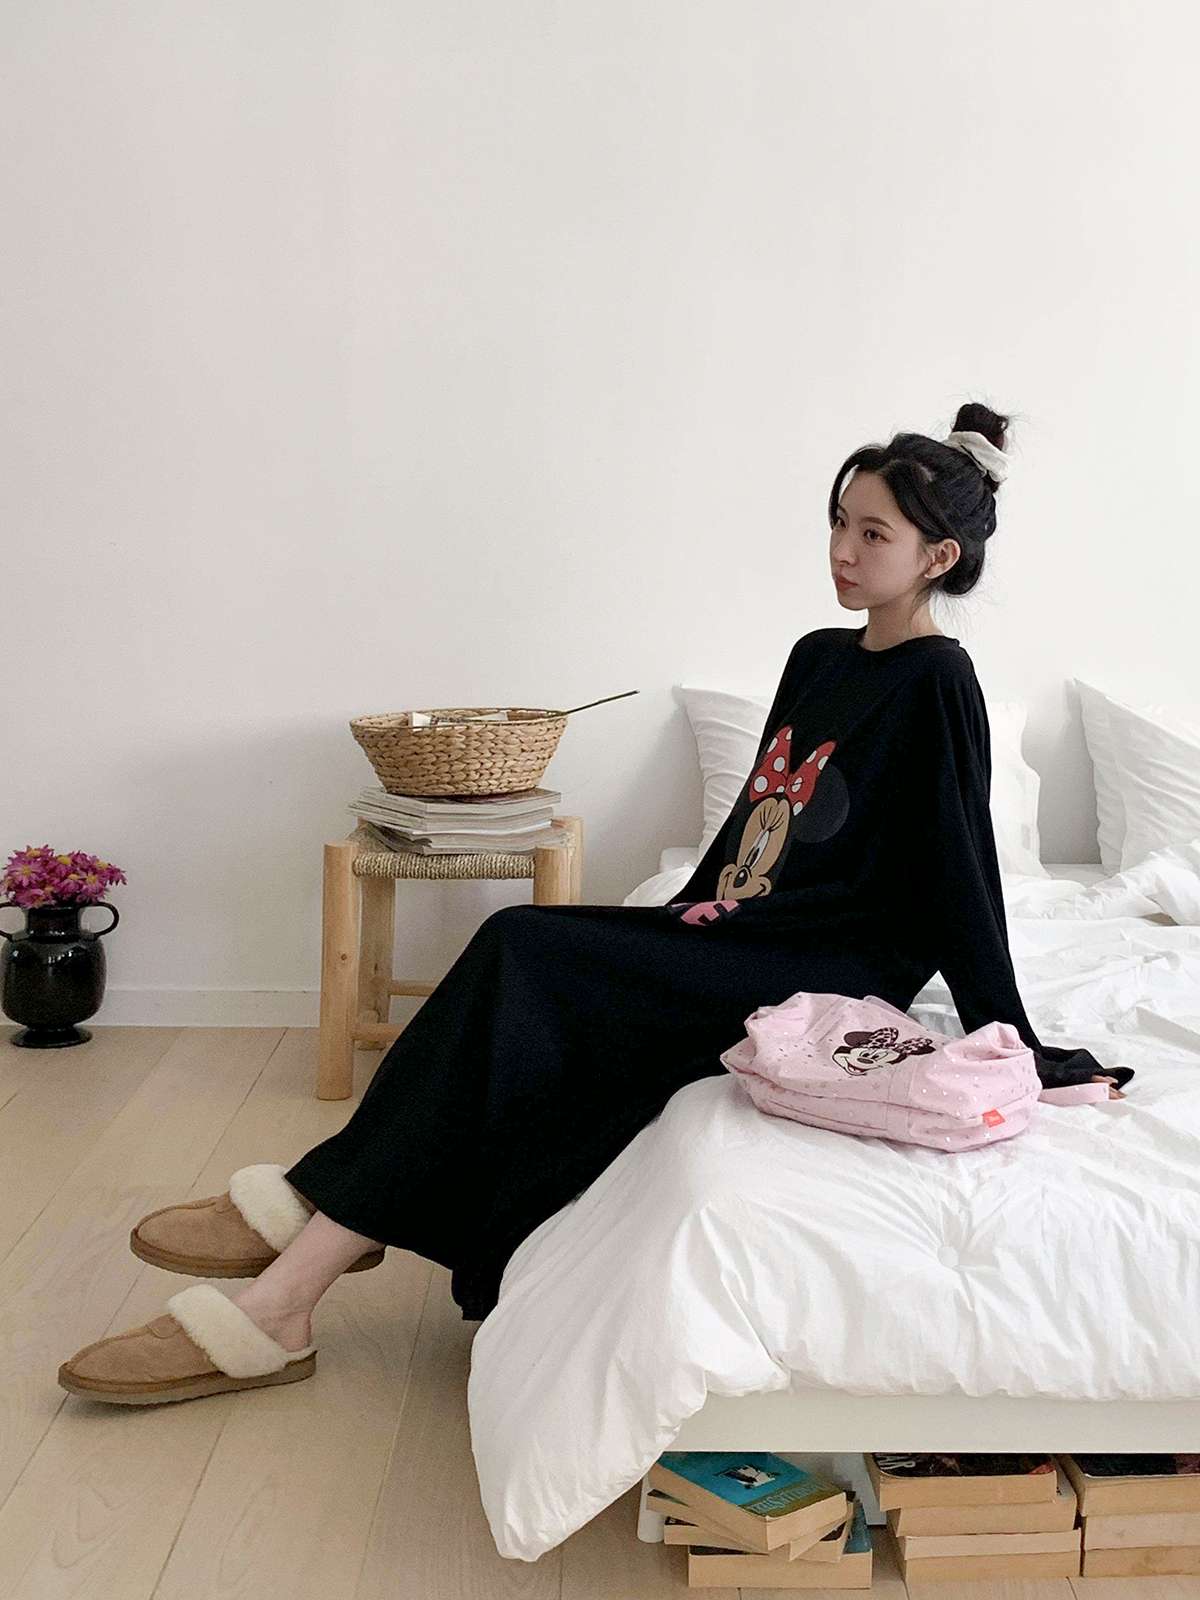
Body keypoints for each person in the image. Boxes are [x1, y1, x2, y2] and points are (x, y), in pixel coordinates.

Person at [57, 400, 1134, 1404]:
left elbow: (957, 873)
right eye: (838, 523)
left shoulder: (940, 683)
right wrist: (686, 920)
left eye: (873, 534)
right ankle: (304, 1260)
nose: (842, 552)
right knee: (520, 947)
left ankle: (297, 1256)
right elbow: (756, 817)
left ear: (938, 558)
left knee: (523, 945)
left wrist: (1016, 1039)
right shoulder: (817, 656)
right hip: (743, 926)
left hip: (826, 957)